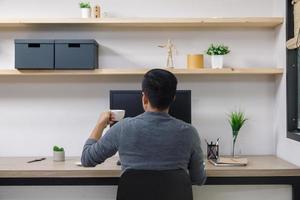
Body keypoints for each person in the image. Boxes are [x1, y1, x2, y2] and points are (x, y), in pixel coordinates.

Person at [81, 68, 206, 185]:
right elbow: (198, 179)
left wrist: (100, 124)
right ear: (173, 98)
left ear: (144, 98)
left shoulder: (122, 128)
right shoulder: (190, 133)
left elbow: (86, 159)